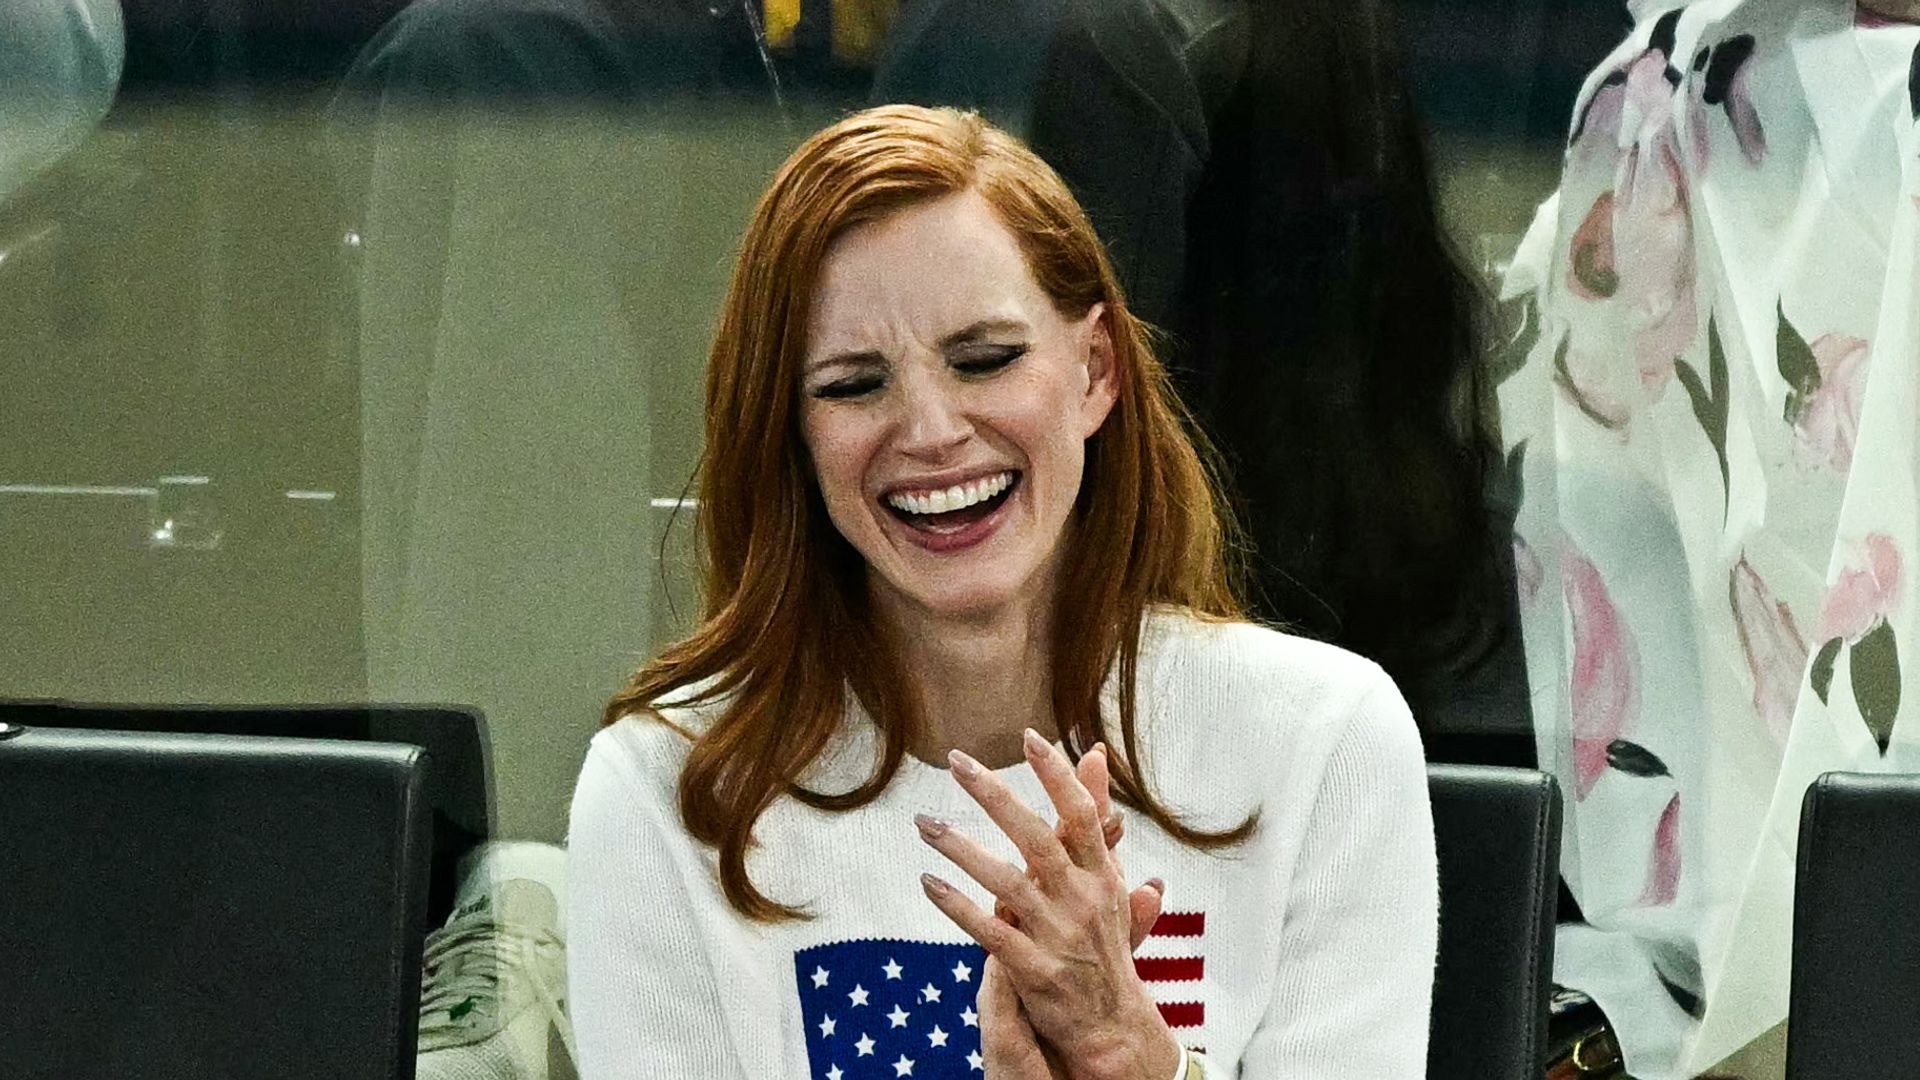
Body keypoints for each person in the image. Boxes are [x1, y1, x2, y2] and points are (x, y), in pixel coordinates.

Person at [566, 104, 1436, 1079]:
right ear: (792, 437)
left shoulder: (1324, 740)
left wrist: (1126, 1055)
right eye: (854, 385)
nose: (932, 429)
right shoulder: (663, 789)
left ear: (1095, 370)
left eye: (986, 360)